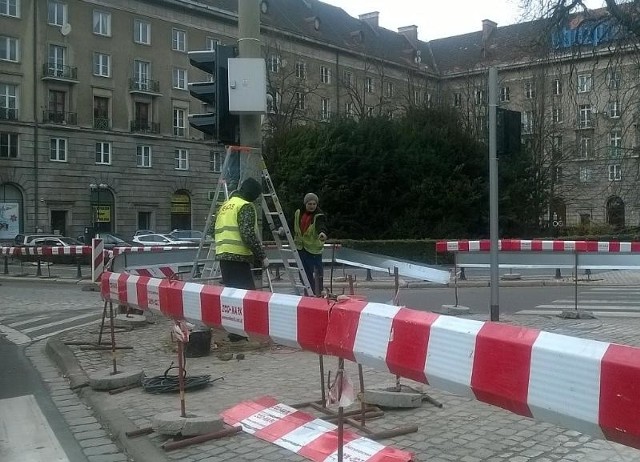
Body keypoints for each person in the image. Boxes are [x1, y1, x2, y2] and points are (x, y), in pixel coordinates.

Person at [214, 177, 268, 290]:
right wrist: (262, 256)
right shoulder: (245, 206)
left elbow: (211, 230)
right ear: (252, 193)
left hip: (223, 258)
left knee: (233, 299)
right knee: (247, 297)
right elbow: (247, 234)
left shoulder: (225, 205)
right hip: (238, 259)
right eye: (256, 195)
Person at [293, 192, 327, 295]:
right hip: (301, 248)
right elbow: (293, 225)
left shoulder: (319, 215)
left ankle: (318, 294)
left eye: (314, 204)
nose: (312, 206)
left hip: (313, 251)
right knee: (303, 274)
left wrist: (322, 233)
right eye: (310, 204)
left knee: (317, 275)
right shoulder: (299, 213)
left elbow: (322, 225)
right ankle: (307, 293)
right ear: (305, 204)